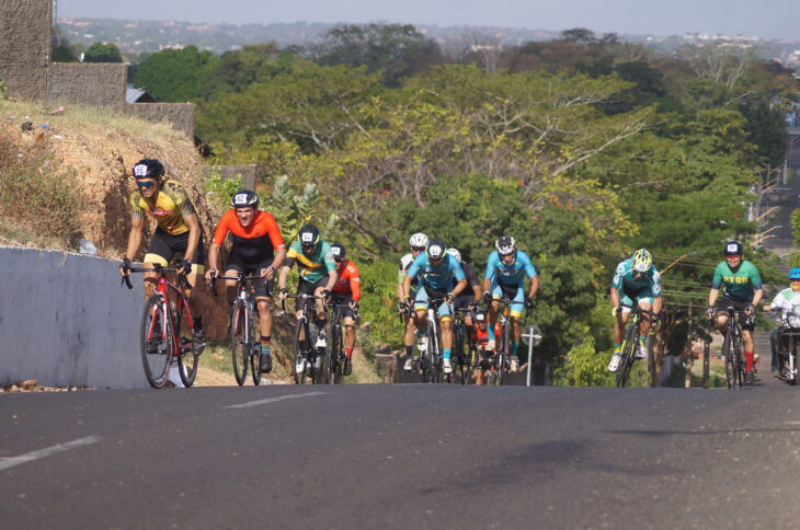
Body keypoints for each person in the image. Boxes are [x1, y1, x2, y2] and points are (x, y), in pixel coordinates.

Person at [119, 158, 207, 361]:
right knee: (149, 281)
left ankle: (199, 327)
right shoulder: (137, 199)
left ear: (159, 180)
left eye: (148, 184)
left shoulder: (174, 191)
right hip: (164, 238)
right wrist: (128, 259)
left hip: (189, 238)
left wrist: (187, 260)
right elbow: (136, 229)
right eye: (139, 184)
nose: (144, 189)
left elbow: (195, 227)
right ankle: (157, 329)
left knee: (190, 292)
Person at [205, 189, 286, 374]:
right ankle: (236, 308)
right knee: (230, 283)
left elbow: (281, 251)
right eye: (239, 211)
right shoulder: (228, 217)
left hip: (263, 262)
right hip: (239, 258)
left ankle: (265, 351)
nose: (243, 215)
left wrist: (272, 268)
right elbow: (215, 246)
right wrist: (213, 268)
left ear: (255, 209)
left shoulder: (266, 219)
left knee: (263, 305)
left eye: (247, 211)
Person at [402, 238, 467, 374]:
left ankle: (446, 360)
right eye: (432, 260)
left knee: (446, 323)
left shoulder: (452, 261)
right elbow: (407, 279)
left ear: (444, 255)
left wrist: (452, 294)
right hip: (425, 289)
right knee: (418, 315)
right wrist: (407, 296)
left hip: (445, 292)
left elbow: (462, 282)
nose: (435, 262)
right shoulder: (421, 258)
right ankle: (420, 335)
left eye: (438, 260)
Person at [278, 224, 338, 372]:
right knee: (300, 317)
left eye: (311, 246)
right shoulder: (295, 246)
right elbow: (285, 270)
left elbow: (333, 274)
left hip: (322, 280)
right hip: (304, 282)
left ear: (317, 243)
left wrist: (327, 290)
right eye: (305, 247)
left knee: (319, 298)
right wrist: (282, 289)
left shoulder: (325, 248)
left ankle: (322, 332)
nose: (308, 249)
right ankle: (302, 354)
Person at [708, 240, 763, 385]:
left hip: (747, 301)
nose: (732, 259)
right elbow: (715, 289)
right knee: (721, 321)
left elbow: (759, 290)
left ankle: (749, 369)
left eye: (735, 256)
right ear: (725, 257)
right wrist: (711, 306)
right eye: (729, 256)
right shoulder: (720, 268)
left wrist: (752, 305)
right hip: (729, 299)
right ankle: (728, 339)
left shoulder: (750, 268)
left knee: (746, 336)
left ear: (742, 256)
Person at [482, 236, 539, 372]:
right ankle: (491, 339)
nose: (507, 258)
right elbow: (487, 279)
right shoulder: (493, 258)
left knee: (516, 320)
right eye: (503, 255)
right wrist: (486, 292)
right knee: (494, 304)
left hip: (516, 288)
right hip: (499, 285)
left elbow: (535, 280)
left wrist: (530, 297)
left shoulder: (523, 258)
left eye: (509, 254)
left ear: (514, 250)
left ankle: (514, 355)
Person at [608, 248, 663, 372]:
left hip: (645, 292)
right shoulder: (622, 267)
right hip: (626, 292)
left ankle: (641, 344)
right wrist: (617, 306)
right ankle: (617, 353)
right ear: (632, 265)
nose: (638, 276)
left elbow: (658, 298)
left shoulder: (654, 275)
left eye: (643, 274)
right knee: (622, 320)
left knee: (646, 314)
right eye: (636, 272)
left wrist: (654, 316)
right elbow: (614, 290)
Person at [762, 268, 800, 379]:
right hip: (788, 325)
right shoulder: (784, 293)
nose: (796, 282)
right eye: (794, 280)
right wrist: (769, 307)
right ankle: (778, 366)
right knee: (774, 336)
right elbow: (774, 304)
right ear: (790, 280)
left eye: (799, 280)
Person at [398, 233, 428, 371]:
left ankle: (423, 332)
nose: (418, 251)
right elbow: (400, 284)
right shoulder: (405, 261)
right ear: (411, 248)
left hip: (426, 290)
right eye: (415, 248)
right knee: (410, 323)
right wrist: (403, 301)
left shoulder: (431, 260)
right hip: (410, 290)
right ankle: (409, 357)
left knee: (421, 316)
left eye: (421, 249)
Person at [330, 243, 361, 376]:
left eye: (338, 260)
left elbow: (356, 290)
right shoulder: (325, 267)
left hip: (347, 296)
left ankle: (348, 358)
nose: (335, 263)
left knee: (349, 327)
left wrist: (354, 301)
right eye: (332, 259)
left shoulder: (351, 268)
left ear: (342, 260)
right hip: (331, 294)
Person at [446, 248, 482, 358]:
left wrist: (474, 303)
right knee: (448, 320)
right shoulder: (443, 269)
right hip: (454, 297)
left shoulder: (468, 269)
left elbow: (477, 291)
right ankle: (449, 347)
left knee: (469, 322)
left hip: (468, 297)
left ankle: (472, 344)